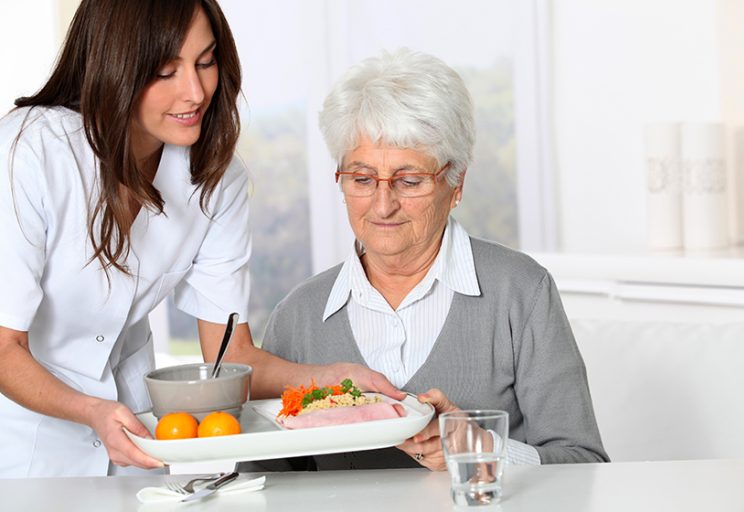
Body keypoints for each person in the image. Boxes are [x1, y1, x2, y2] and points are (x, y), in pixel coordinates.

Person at [0, 0, 399, 479]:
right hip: (23, 443)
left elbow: (229, 356)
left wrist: (329, 379)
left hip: (135, 437)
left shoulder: (216, 177)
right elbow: (4, 347)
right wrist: (90, 411)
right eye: (166, 70)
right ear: (112, 67)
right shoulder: (31, 152)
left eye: (205, 63)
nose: (194, 91)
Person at [245, 48, 609, 472]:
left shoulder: (521, 292)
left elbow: (585, 466)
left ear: (456, 184)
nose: (382, 206)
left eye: (409, 180)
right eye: (362, 179)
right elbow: (264, 477)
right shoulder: (299, 316)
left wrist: (482, 452)